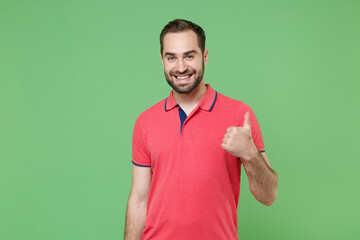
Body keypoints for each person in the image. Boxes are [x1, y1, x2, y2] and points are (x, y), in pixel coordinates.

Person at [124, 19, 278, 240]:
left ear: (204, 56)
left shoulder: (239, 114)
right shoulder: (145, 122)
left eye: (189, 56)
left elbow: (269, 195)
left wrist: (250, 153)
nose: (180, 67)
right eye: (171, 57)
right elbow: (139, 200)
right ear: (162, 60)